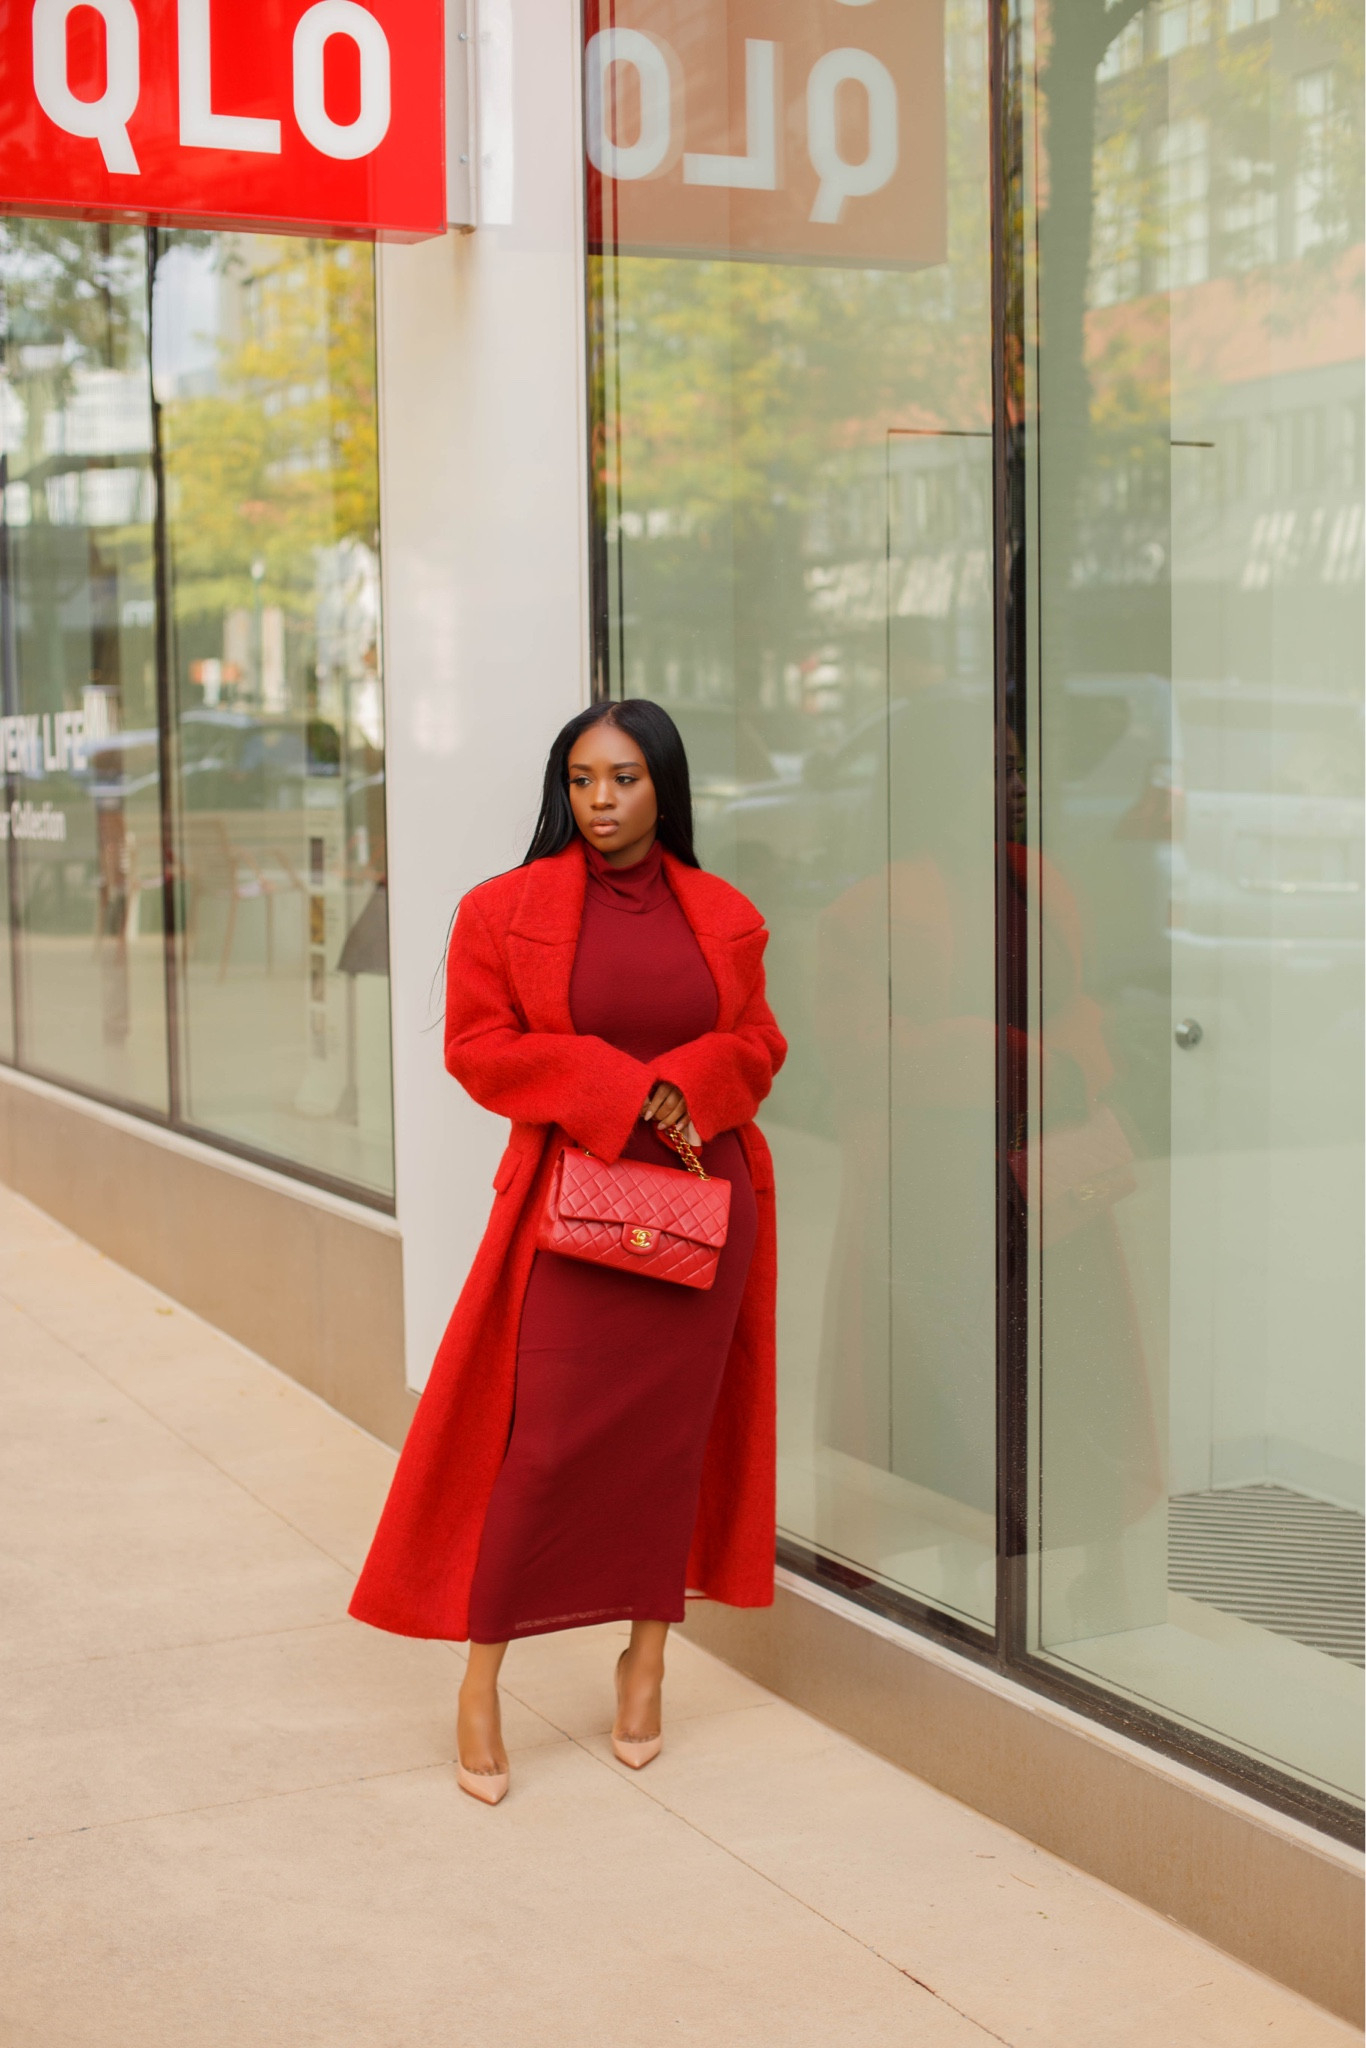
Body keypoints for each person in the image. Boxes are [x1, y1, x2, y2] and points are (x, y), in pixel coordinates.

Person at [349, 699, 786, 1805]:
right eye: (582, 778)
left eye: (625, 778)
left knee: (665, 1448)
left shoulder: (724, 913)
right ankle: (482, 1677)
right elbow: (478, 1045)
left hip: (699, 1200)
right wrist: (621, 1085)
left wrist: (688, 1082)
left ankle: (646, 1659)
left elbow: (760, 1040)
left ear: (663, 786)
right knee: (538, 1448)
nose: (600, 800)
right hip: (568, 1207)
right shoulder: (503, 911)